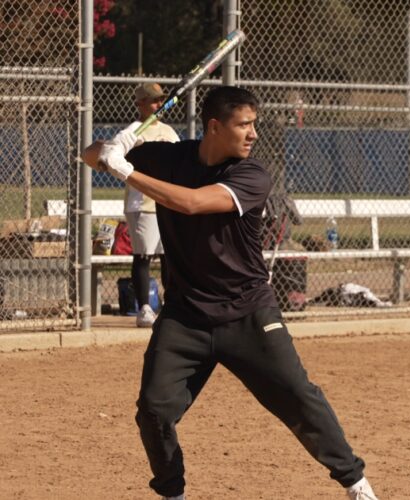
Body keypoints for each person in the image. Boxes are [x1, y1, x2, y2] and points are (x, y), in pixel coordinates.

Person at [82, 86, 378, 500]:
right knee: (153, 411)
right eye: (244, 124)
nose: (253, 133)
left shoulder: (251, 174)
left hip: (247, 313)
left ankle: (355, 483)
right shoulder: (170, 157)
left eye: (254, 124)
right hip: (186, 315)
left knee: (299, 397)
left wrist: (126, 170)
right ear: (215, 127)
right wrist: (118, 142)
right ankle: (173, 494)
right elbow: (89, 155)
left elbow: (191, 203)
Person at [124, 82, 180, 327]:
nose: (159, 105)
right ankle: (144, 309)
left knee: (168, 255)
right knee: (144, 255)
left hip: (166, 201)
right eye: (153, 101)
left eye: (161, 101)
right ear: (140, 104)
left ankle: (171, 306)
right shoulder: (133, 132)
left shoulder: (168, 131)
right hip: (142, 202)